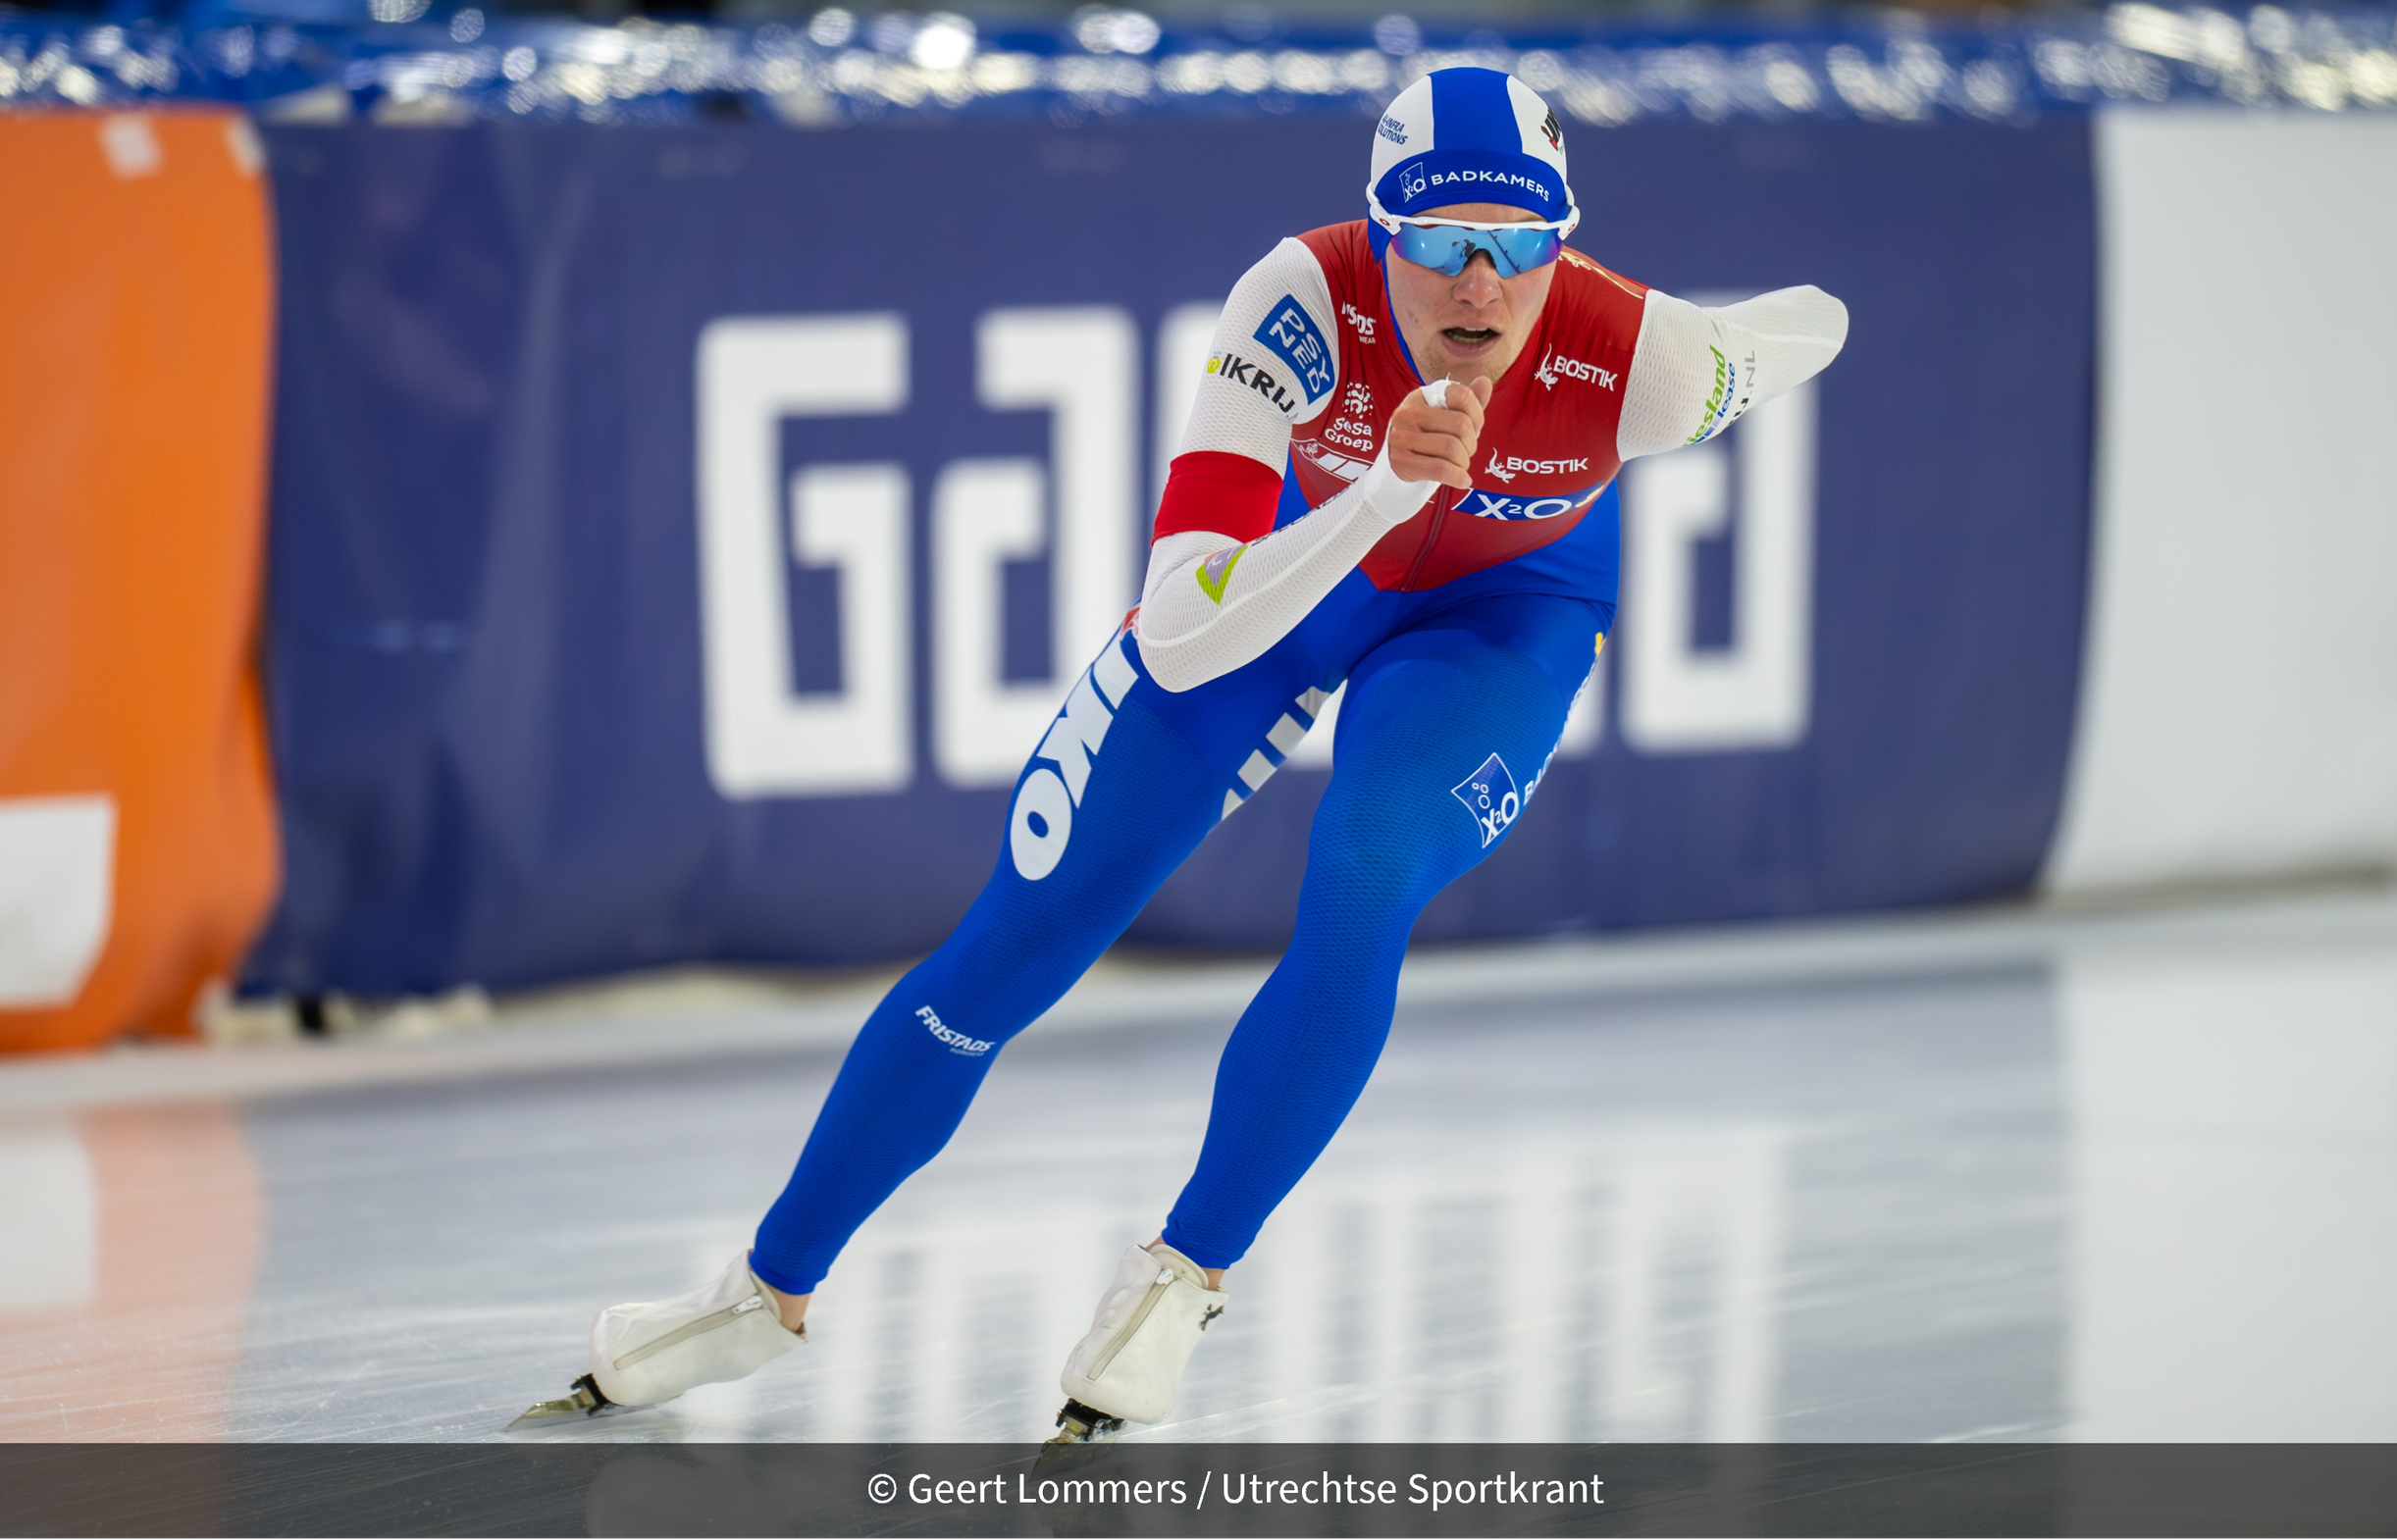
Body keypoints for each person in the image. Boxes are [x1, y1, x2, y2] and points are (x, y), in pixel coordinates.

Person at [511, 66, 1848, 1438]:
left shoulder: (1648, 360)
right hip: (1284, 576)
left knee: (1370, 863)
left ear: (1556, 250)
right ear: (1381, 236)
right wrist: (1384, 488)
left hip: (1505, 618)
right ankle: (763, 1290)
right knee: (1017, 937)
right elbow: (1179, 641)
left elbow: (1812, 327)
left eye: (1513, 248)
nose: (1476, 285)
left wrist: (1727, 343)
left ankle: (1183, 1273)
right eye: (1439, 242)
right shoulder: (1295, 304)